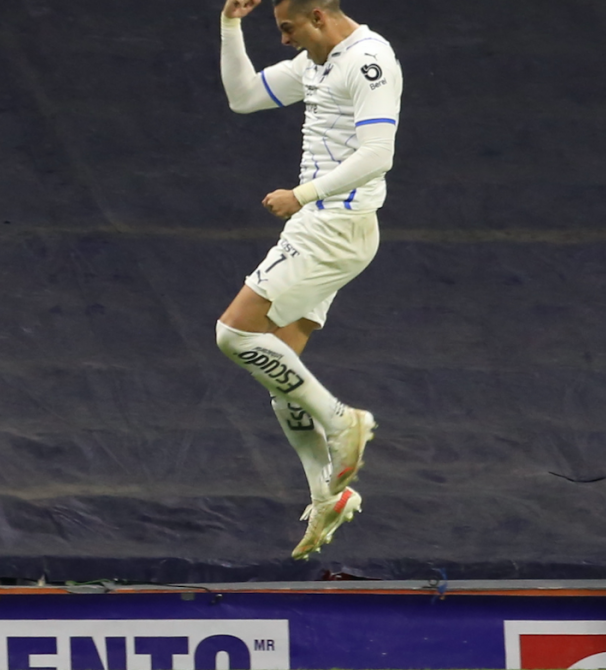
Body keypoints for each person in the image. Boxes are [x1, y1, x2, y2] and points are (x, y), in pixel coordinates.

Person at [214, 0, 403, 559]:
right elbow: (243, 96)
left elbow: (378, 153)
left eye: (287, 28)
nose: (284, 40)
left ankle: (346, 421)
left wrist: (304, 194)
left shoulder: (369, 60)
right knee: (280, 368)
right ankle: (329, 494)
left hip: (333, 224)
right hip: (325, 226)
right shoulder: (316, 62)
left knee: (234, 334)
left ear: (318, 15)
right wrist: (230, 24)